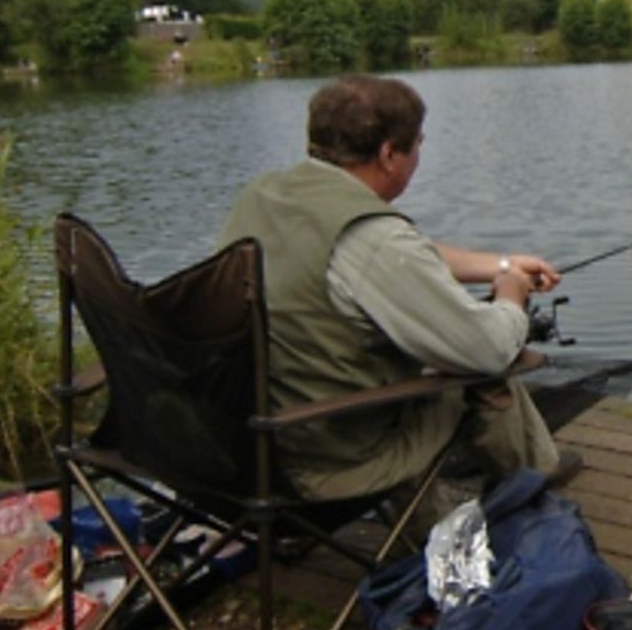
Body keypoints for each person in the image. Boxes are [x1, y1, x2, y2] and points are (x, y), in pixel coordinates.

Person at [215, 75, 574, 512]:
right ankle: (535, 490)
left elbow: (393, 261)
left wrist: (498, 265)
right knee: (489, 367)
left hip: (239, 440)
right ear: (388, 154)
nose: (420, 155)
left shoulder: (270, 193)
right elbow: (488, 348)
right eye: (418, 144)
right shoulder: (374, 236)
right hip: (330, 453)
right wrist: (511, 294)